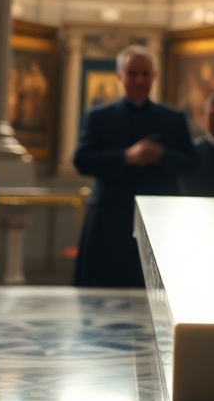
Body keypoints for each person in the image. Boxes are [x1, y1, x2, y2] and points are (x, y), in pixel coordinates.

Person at [73, 46, 198, 287]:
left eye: (145, 74)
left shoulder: (173, 118)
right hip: (109, 219)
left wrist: (161, 155)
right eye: (132, 74)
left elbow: (192, 164)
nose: (139, 80)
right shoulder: (98, 117)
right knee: (102, 295)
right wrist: (126, 157)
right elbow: (82, 160)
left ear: (154, 76)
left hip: (162, 218)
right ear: (120, 76)